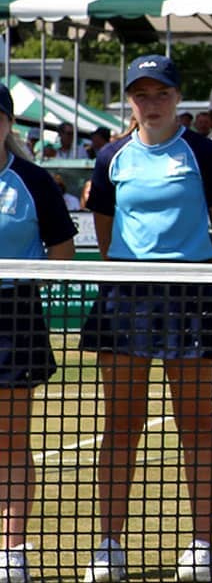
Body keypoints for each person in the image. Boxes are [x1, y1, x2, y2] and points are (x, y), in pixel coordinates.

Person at [79, 54, 212, 583]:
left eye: (161, 94)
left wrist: (199, 276)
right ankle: (109, 545)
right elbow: (105, 232)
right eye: (142, 95)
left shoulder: (205, 154)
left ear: (177, 98)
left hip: (189, 299)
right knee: (121, 426)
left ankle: (200, 545)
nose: (152, 103)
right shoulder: (111, 158)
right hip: (125, 301)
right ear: (131, 101)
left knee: (196, 424)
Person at [0, 83, 77, 583]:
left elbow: (62, 250)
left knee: (9, 440)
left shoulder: (32, 181)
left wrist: (27, 282)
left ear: (7, 124)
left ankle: (10, 551)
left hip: (13, 315)